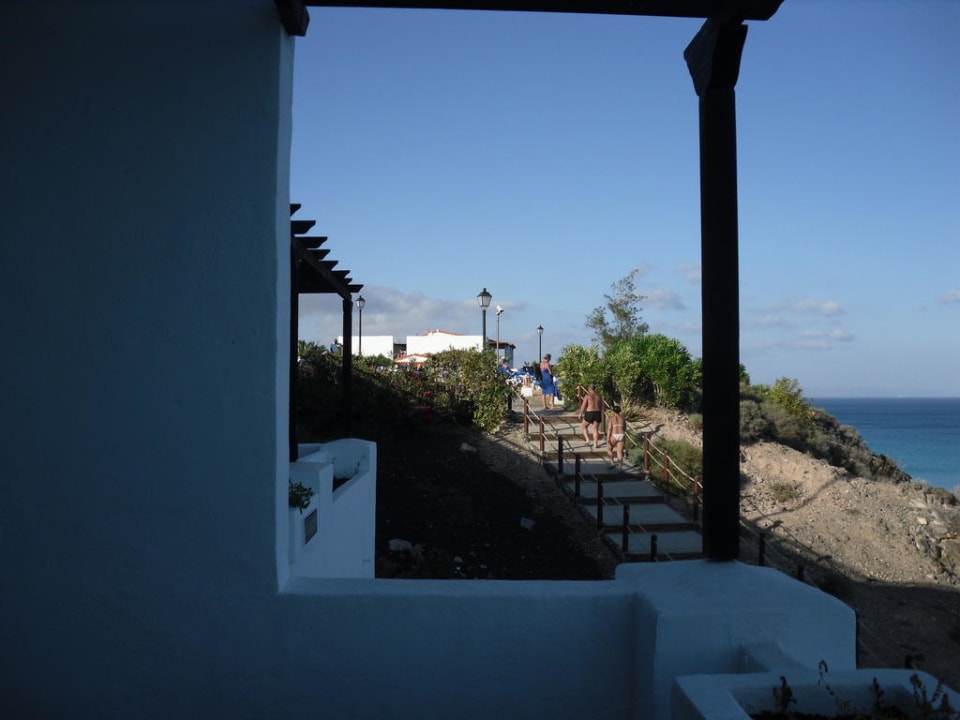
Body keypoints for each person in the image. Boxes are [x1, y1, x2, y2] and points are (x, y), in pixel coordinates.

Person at [578, 384, 604, 448]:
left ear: (589, 389)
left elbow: (583, 405)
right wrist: (601, 414)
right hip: (597, 413)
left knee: (584, 426)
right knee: (595, 430)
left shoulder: (587, 396)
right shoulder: (599, 396)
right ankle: (595, 444)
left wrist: (580, 413)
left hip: (590, 413)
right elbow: (602, 406)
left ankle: (587, 440)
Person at [606, 404, 626, 469]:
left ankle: (612, 463)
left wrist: (608, 438)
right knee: (619, 452)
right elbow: (625, 428)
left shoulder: (612, 419)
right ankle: (620, 466)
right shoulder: (622, 418)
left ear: (613, 411)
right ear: (619, 411)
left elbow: (609, 429)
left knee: (609, 449)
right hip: (621, 435)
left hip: (614, 435)